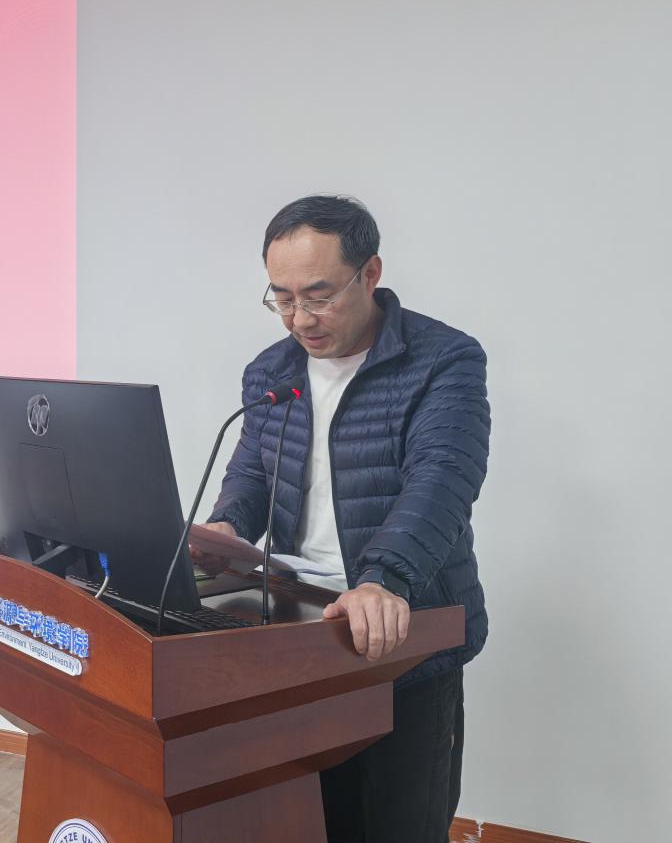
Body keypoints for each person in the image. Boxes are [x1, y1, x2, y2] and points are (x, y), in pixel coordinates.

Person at [193, 194, 490, 843]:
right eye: (281, 298)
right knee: (307, 820)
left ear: (370, 272)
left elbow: (442, 477)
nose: (300, 318)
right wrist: (225, 528)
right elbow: (253, 472)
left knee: (400, 827)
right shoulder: (270, 370)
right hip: (299, 634)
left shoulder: (442, 359)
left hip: (401, 634)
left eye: (319, 296)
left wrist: (384, 577)